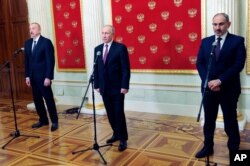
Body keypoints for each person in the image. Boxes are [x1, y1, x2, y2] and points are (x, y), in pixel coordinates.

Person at [196, 13, 246, 158]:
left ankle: (234, 150)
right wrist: (209, 82)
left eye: (221, 24)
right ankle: (208, 147)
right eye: (215, 24)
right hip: (208, 89)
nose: (217, 28)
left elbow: (238, 65)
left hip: (228, 89)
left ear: (228, 24)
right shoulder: (206, 42)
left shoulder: (237, 41)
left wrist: (220, 81)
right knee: (209, 120)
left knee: (230, 120)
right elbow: (200, 63)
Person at [94, 25, 131, 151]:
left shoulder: (120, 48)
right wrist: (97, 85)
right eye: (103, 33)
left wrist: (124, 86)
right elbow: (96, 69)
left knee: (118, 113)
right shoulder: (97, 49)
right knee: (110, 113)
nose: (104, 35)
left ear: (112, 34)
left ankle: (123, 139)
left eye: (107, 33)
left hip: (117, 88)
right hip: (104, 88)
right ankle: (116, 133)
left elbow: (126, 69)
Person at [24, 22, 58, 132]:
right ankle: (43, 120)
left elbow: (50, 61)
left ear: (39, 30)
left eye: (33, 28)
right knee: (37, 100)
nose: (31, 30)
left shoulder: (46, 42)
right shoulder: (28, 43)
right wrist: (27, 76)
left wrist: (48, 77)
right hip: (33, 78)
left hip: (44, 78)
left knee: (48, 100)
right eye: (30, 28)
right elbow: (27, 61)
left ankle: (54, 121)